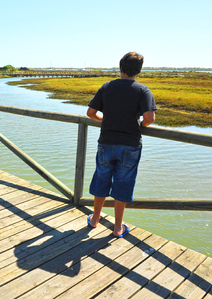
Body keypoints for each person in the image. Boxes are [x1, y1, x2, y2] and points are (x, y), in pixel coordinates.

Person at [86, 52, 157, 238]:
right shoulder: (143, 90)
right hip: (130, 144)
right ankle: (118, 228)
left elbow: (91, 112)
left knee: (102, 178)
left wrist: (103, 119)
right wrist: (141, 124)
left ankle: (95, 219)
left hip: (106, 142)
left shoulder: (107, 87)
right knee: (123, 183)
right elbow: (149, 118)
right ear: (139, 71)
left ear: (120, 68)